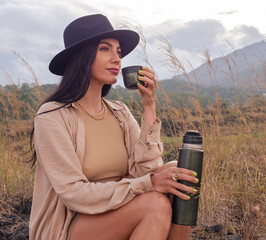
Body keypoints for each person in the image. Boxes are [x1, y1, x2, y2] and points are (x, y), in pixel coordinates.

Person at [28, 14, 198, 240]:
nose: (117, 59)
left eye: (118, 52)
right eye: (105, 49)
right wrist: (148, 184)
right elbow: (74, 194)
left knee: (179, 171)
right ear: (82, 56)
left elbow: (145, 172)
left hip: (118, 211)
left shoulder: (119, 112)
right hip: (71, 224)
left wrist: (149, 106)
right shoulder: (52, 116)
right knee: (155, 204)